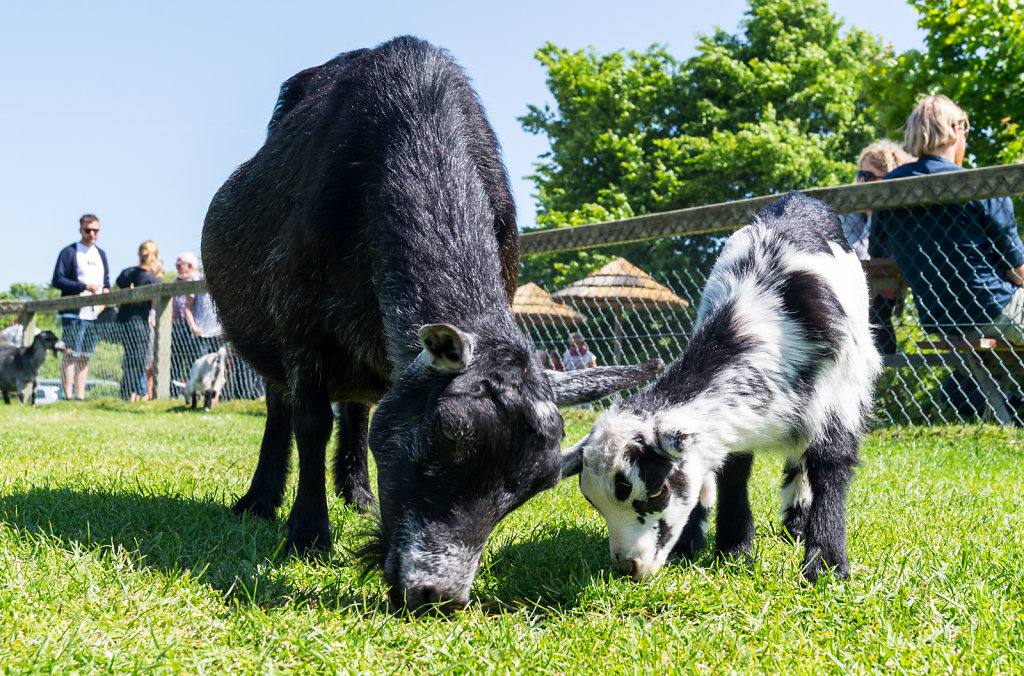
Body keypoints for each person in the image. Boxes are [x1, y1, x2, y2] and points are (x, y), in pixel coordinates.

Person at [872, 95, 1024, 343]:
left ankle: (964, 383)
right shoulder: (981, 186)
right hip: (995, 309)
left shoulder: (887, 190)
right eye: (966, 130)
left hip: (936, 319)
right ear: (956, 130)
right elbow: (1018, 272)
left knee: (981, 375)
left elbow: (880, 252)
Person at [840, 139, 915, 354]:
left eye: (869, 176)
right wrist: (872, 216)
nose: (861, 183)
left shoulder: (900, 216)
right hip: (854, 296)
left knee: (879, 332)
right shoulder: (850, 211)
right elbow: (855, 257)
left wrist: (877, 216)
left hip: (881, 301)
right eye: (859, 175)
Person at [52, 214, 110, 400]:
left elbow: (106, 282)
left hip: (94, 314)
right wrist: (83, 287)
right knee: (71, 354)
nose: (91, 234)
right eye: (88, 230)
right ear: (80, 230)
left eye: (95, 230)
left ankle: (81, 395)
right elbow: (57, 279)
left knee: (85, 355)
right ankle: (67, 395)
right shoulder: (69, 252)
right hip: (73, 313)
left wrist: (105, 296)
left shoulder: (101, 254)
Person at [115, 240, 162, 401]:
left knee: (129, 357)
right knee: (139, 360)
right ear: (155, 256)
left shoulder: (125, 273)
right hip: (140, 323)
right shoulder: (153, 280)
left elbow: (118, 294)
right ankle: (130, 393)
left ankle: (128, 393)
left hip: (122, 321)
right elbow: (157, 306)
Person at [170, 252, 201, 383]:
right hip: (177, 326)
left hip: (194, 327)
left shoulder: (199, 280)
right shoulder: (175, 282)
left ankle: (194, 393)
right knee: (175, 360)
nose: (177, 268)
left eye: (179, 265)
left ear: (190, 265)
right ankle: (172, 392)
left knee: (192, 360)